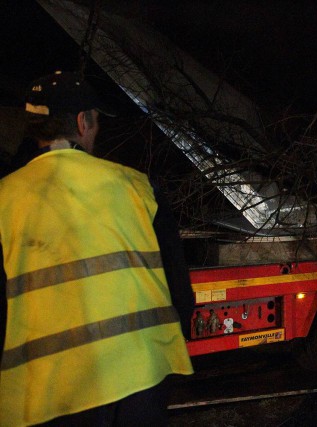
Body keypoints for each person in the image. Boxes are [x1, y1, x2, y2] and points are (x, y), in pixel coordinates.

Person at [0, 70, 194, 426]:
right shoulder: (139, 187)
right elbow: (180, 292)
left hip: (46, 397)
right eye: (97, 120)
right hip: (140, 382)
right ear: (82, 122)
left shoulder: (4, 199)